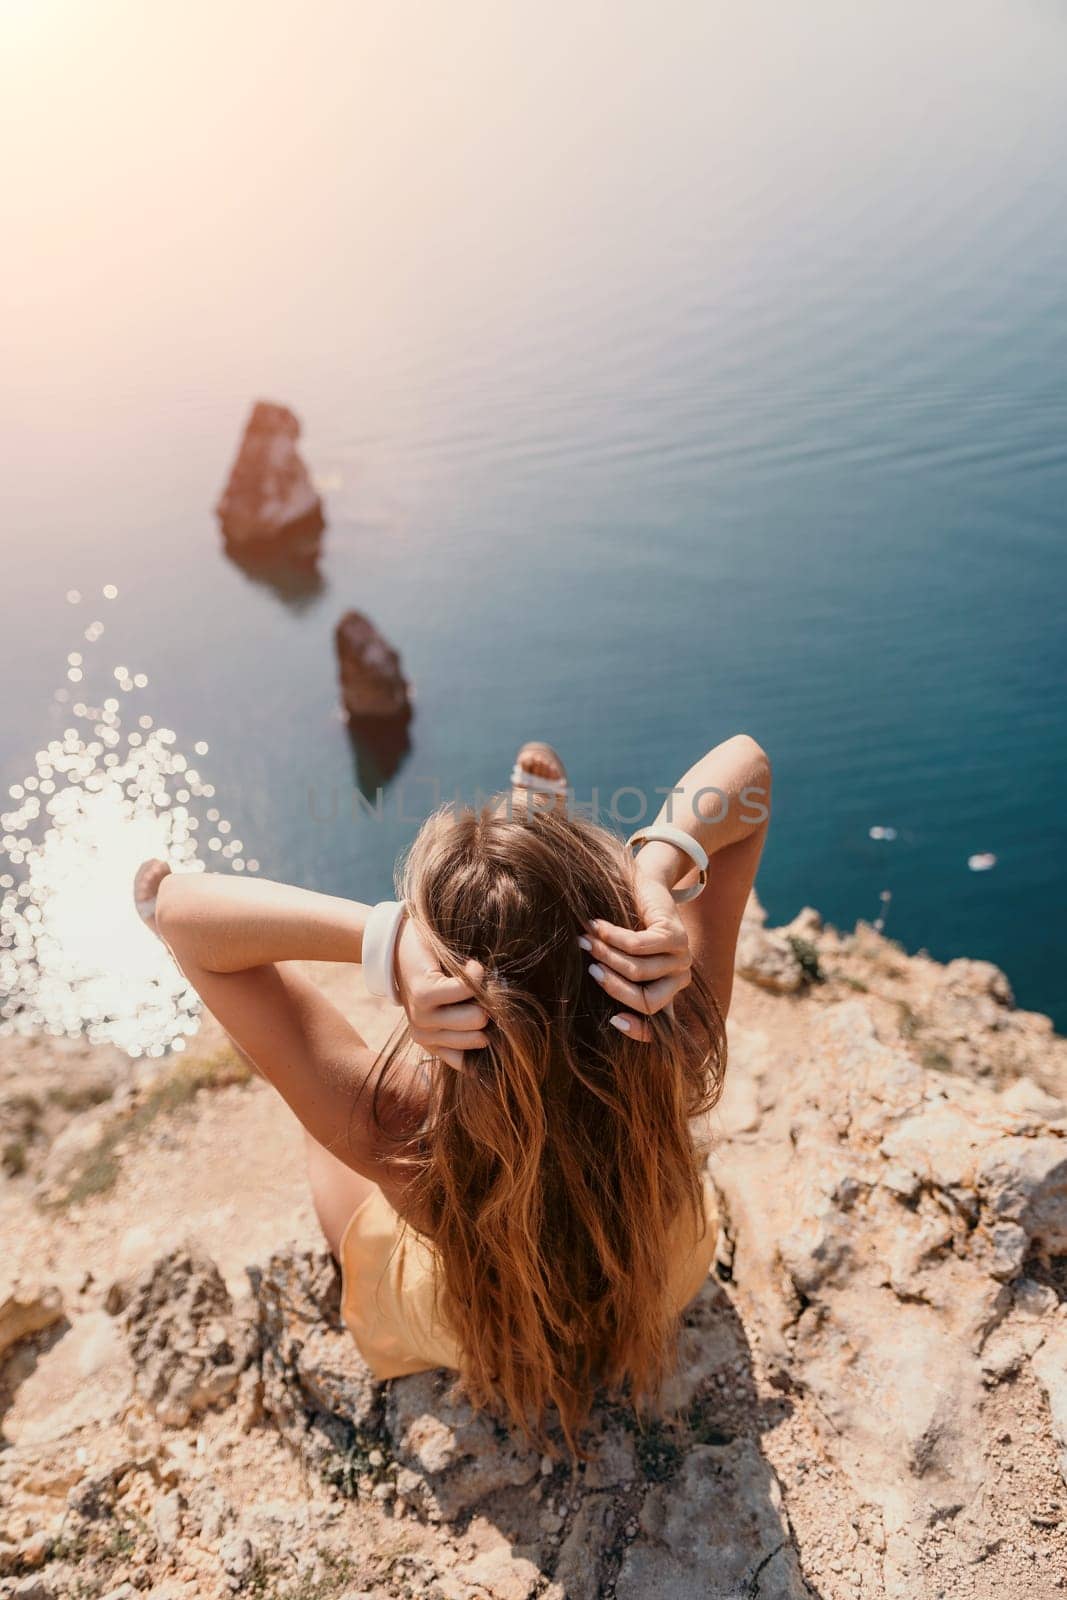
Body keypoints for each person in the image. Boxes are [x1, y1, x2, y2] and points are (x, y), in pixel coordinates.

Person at [134, 734, 770, 1452]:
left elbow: (181, 913)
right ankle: (538, 836)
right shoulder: (678, 1033)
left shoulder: (402, 1131)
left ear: (445, 976)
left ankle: (521, 851)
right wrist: (652, 867)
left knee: (318, 1119)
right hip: (661, 1275)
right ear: (622, 929)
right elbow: (747, 772)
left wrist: (385, 938)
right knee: (335, 1087)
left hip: (475, 1320)